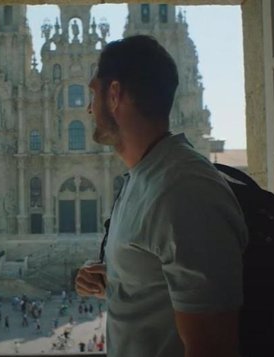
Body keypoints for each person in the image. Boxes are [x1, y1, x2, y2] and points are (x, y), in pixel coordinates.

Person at [74, 35, 248, 357]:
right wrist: (120, 282)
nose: (87, 108)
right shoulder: (146, 177)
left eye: (93, 93)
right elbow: (164, 277)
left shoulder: (184, 191)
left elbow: (212, 348)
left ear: (114, 95)